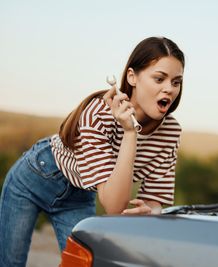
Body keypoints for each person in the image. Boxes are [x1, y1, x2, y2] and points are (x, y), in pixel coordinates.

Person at [0, 36, 185, 267]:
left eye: (176, 82)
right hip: (35, 177)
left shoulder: (171, 131)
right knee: (10, 262)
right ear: (132, 77)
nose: (169, 88)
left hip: (80, 194)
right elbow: (114, 205)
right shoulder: (99, 113)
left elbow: (142, 203)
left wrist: (150, 212)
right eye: (159, 78)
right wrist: (129, 133)